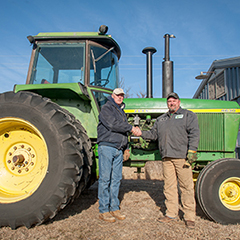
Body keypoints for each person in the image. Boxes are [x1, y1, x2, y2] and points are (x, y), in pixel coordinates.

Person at [134, 92, 200, 229]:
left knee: (186, 187)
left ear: (179, 102)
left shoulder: (188, 115)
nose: (172, 103)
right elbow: (153, 135)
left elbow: (194, 133)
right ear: (167, 104)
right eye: (169, 101)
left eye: (174, 101)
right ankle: (171, 214)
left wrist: (192, 151)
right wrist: (141, 133)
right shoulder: (161, 119)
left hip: (182, 157)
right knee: (169, 187)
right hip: (166, 158)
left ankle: (189, 216)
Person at [97, 88, 139, 223]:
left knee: (116, 179)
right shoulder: (106, 108)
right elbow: (112, 125)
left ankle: (114, 207)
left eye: (122, 95)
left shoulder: (121, 112)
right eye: (118, 95)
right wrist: (131, 128)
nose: (120, 97)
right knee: (105, 179)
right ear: (112, 96)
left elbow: (123, 132)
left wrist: (126, 148)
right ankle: (103, 210)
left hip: (118, 149)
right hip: (107, 146)